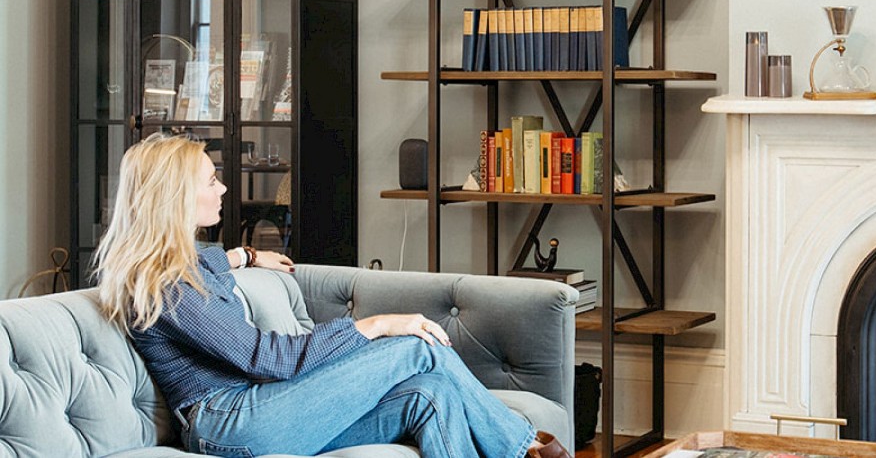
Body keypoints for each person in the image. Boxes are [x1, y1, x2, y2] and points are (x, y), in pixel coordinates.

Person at [93, 133, 570, 458]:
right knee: (411, 347)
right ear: (175, 196)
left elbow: (215, 264)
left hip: (260, 407)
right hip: (231, 423)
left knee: (432, 393)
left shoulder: (187, 261)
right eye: (210, 180)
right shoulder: (162, 279)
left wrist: (247, 256)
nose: (222, 188)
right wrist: (374, 324)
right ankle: (528, 446)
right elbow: (267, 358)